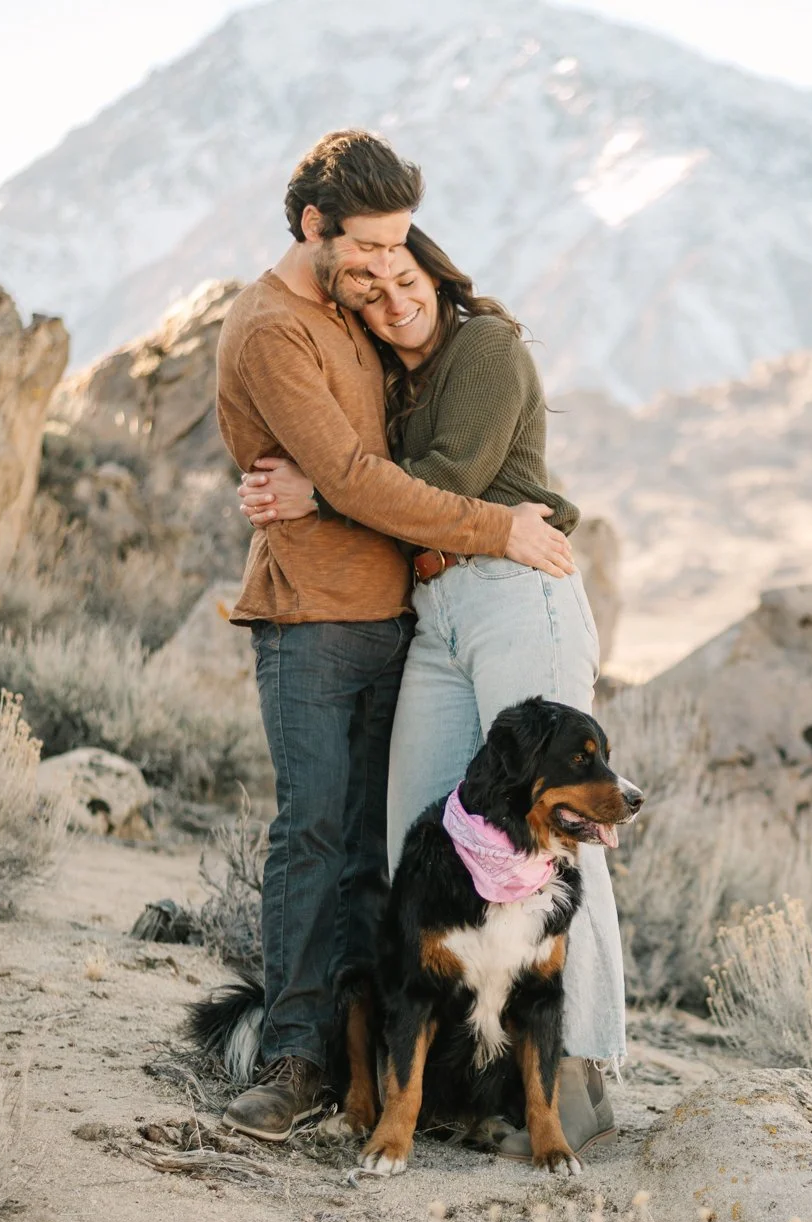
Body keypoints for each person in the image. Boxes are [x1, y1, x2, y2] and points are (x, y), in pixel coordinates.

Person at [214, 129, 576, 1143]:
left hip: (396, 623)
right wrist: (498, 526)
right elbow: (363, 477)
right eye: (367, 249)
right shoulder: (272, 331)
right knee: (313, 839)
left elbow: (382, 462)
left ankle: (372, 1063)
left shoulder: (351, 315)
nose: (384, 269)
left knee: (381, 859)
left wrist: (327, 493)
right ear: (312, 227)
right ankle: (291, 1061)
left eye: (398, 248)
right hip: (314, 625)